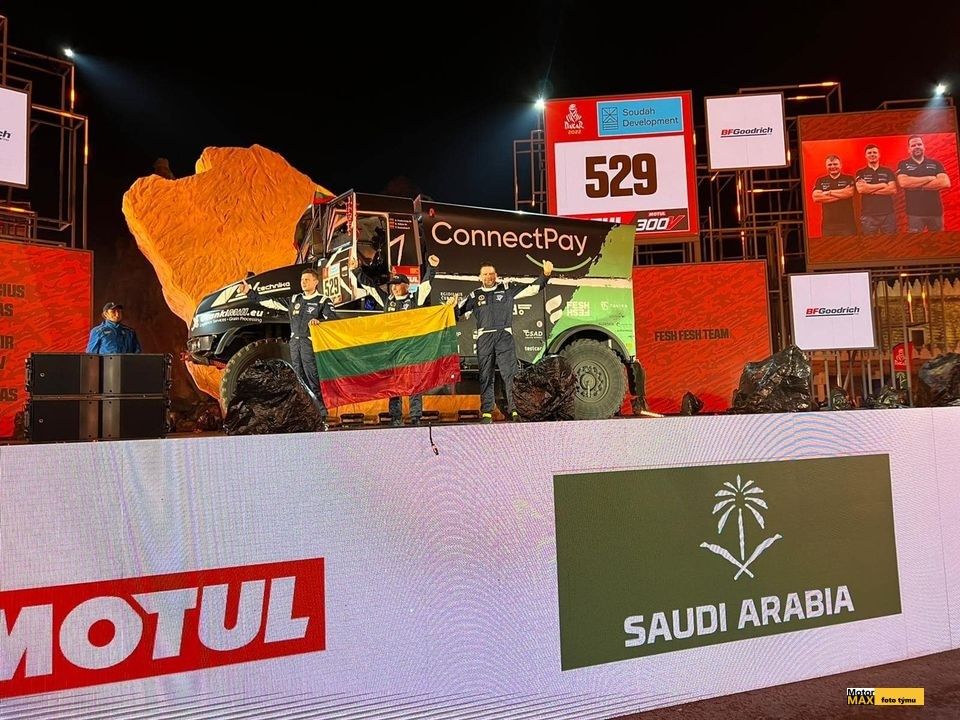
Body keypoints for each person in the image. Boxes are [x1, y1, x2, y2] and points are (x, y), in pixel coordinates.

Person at [351, 254, 451, 426]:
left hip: (411, 348)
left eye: (398, 284)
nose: (394, 288)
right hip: (392, 349)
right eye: (392, 285)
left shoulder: (415, 300)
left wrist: (431, 267)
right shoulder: (386, 301)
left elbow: (426, 285)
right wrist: (356, 270)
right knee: (393, 384)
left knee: (414, 382)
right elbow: (371, 287)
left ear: (407, 285)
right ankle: (395, 417)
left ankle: (415, 417)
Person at [453, 260, 554, 424]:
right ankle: (487, 412)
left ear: (496, 275)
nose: (488, 276)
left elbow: (532, 289)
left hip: (504, 336)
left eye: (491, 274)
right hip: (484, 337)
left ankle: (515, 410)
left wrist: (545, 275)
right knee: (486, 375)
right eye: (485, 274)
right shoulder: (475, 295)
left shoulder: (507, 289)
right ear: (480, 277)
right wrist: (450, 307)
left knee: (511, 375)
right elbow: (456, 312)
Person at [239, 268, 338, 422]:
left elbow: (333, 319)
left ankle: (321, 413)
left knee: (312, 376)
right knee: (298, 378)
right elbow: (272, 303)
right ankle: (306, 412)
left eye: (307, 280)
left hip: (310, 343)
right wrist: (250, 293)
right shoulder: (295, 299)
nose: (303, 283)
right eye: (302, 280)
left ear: (315, 282)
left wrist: (319, 321)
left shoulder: (322, 300)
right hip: (295, 343)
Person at [896, 135, 951, 231]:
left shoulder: (935, 163)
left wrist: (916, 185)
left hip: (935, 212)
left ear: (923, 147)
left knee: (938, 239)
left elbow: (945, 182)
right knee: (915, 240)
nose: (917, 147)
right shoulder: (903, 164)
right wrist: (930, 178)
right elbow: (904, 183)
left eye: (919, 144)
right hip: (914, 213)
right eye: (913, 145)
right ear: (909, 149)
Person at [855, 144, 898, 234]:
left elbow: (893, 190)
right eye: (869, 153)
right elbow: (861, 190)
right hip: (868, 215)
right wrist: (882, 185)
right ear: (865, 156)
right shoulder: (860, 172)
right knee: (869, 242)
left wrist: (870, 189)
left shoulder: (887, 171)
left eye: (874, 152)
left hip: (887, 214)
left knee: (890, 241)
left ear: (879, 155)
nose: (872, 154)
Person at [811, 155, 857, 236]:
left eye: (835, 164)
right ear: (826, 166)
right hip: (828, 225)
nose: (832, 167)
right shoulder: (821, 180)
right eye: (830, 164)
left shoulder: (848, 178)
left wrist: (829, 192)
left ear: (840, 165)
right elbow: (816, 198)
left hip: (847, 224)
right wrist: (842, 194)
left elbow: (849, 193)